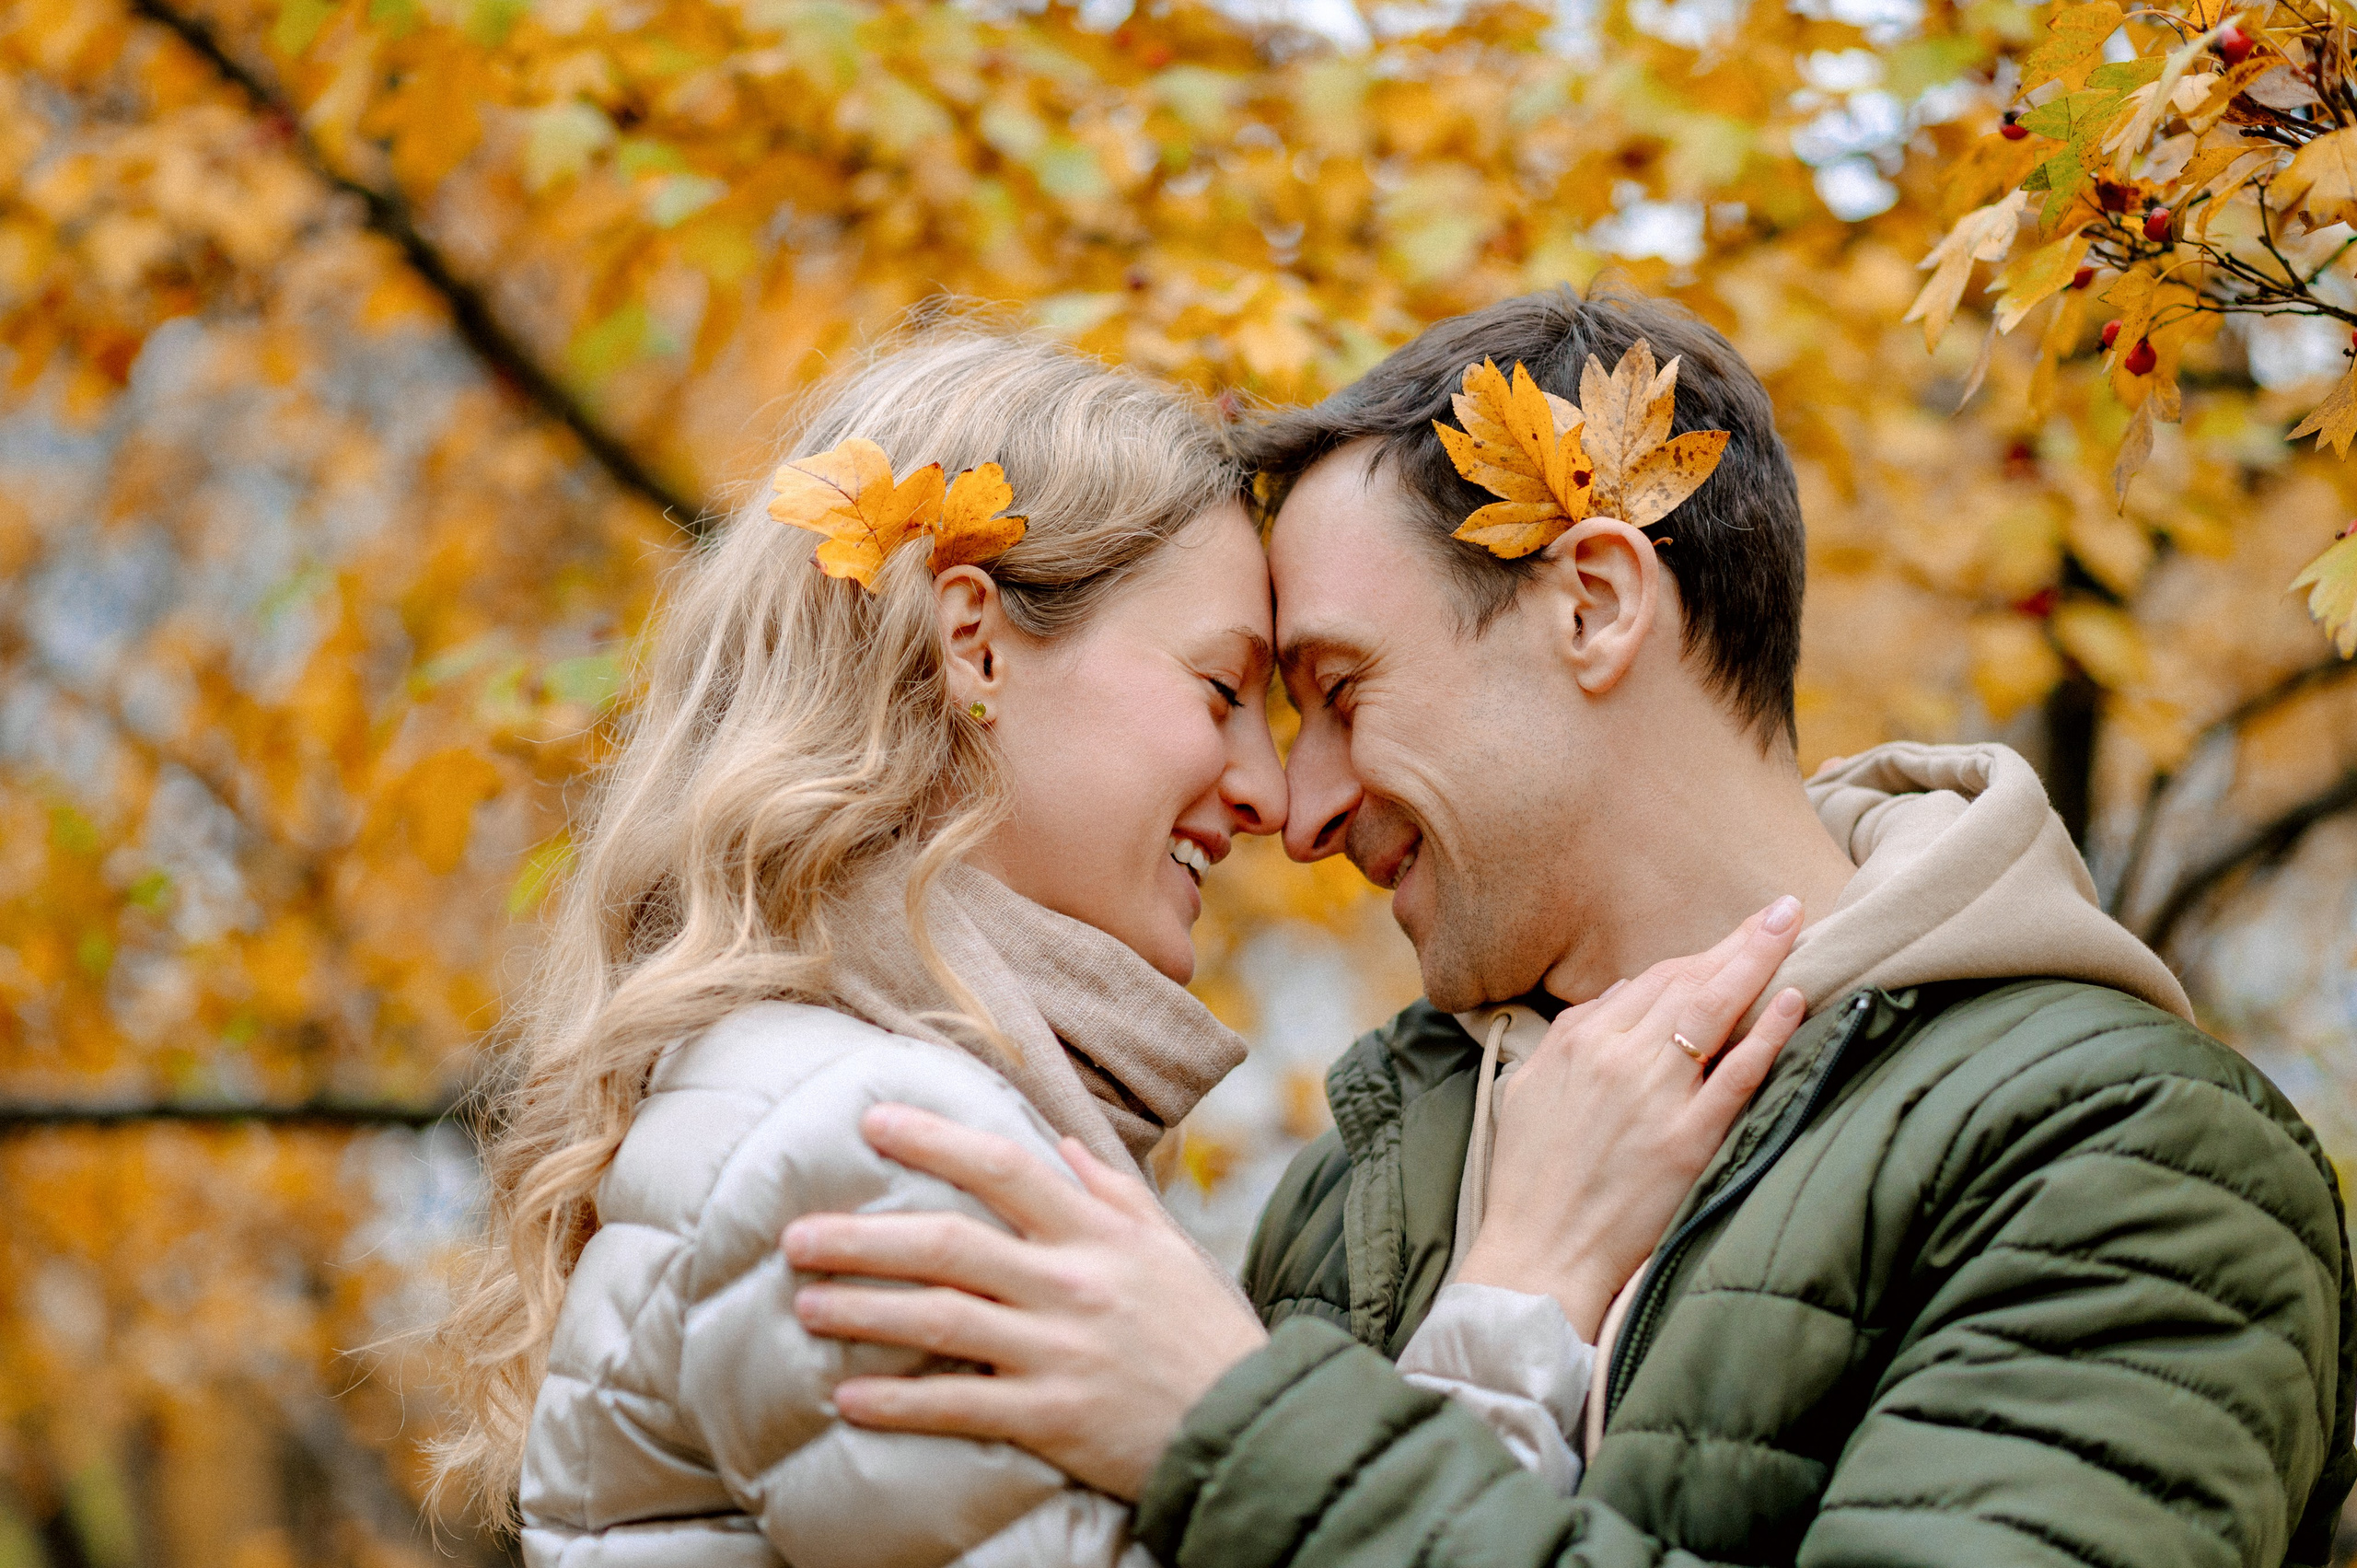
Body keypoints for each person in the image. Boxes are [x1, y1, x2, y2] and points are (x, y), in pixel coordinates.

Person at [778, 287, 2357, 1566]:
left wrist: (1245, 1428)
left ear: (1595, 602)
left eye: (1337, 694)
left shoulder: (2121, 1157)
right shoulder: (1355, 1184)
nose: (1301, 811)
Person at [426, 318, 1805, 1566]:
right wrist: (1519, 1299)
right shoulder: (875, 1148)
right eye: (1224, 690)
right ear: (972, 642)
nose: (1274, 798)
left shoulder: (868, 1108)